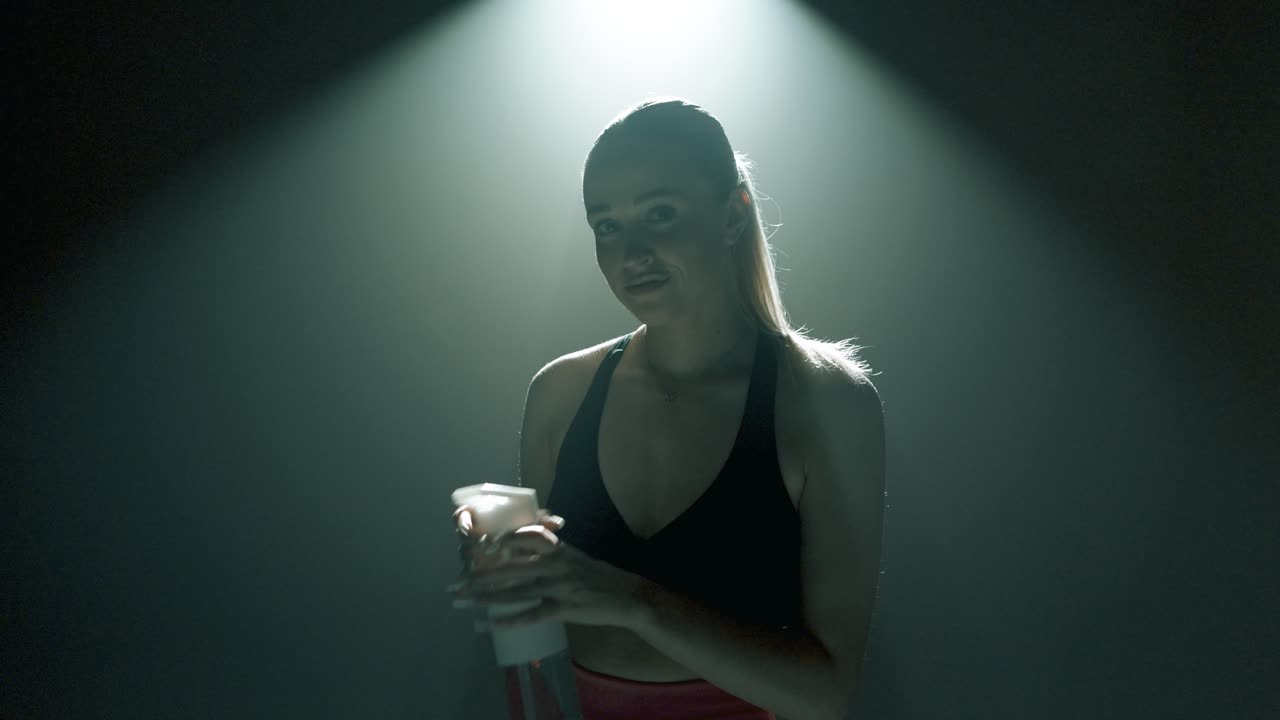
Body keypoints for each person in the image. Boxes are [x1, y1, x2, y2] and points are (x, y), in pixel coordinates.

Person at [449, 97, 886, 720]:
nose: (632, 252)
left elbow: (827, 693)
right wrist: (506, 565)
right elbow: (537, 648)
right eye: (607, 225)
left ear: (734, 214)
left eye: (660, 213)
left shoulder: (827, 399)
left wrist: (632, 600)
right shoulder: (560, 395)